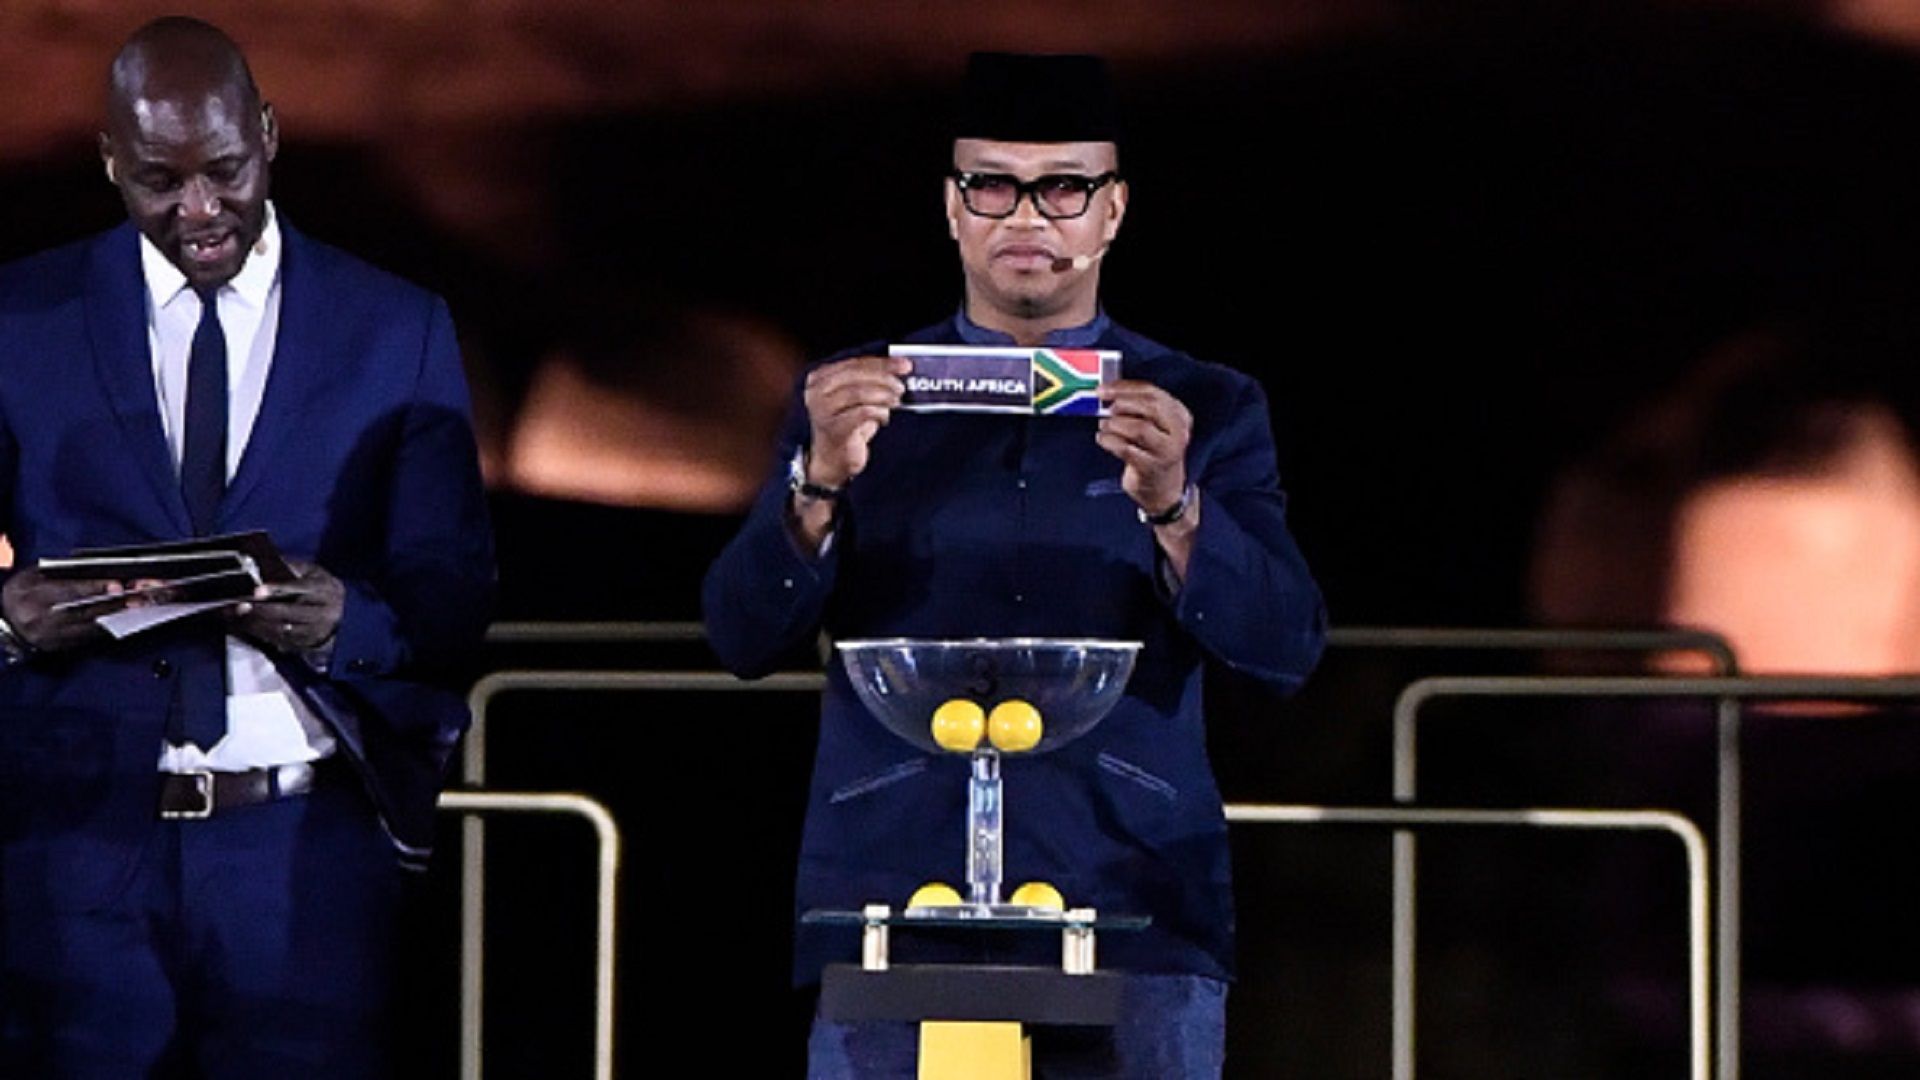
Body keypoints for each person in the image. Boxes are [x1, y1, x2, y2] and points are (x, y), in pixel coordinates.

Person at [703, 51, 1326, 1077]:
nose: (1026, 216)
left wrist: (1176, 505)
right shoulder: (856, 398)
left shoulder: (1205, 407)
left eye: (1063, 188)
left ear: (1112, 210)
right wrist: (814, 485)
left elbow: (1285, 648)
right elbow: (738, 634)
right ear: (953, 208)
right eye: (993, 185)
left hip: (1131, 893)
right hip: (897, 897)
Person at [0, 17, 493, 1078]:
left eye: (224, 170)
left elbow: (453, 591)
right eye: (157, 182)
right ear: (109, 164)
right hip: (77, 857)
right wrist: (4, 618)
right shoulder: (20, 317)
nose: (199, 209)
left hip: (297, 861)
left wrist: (346, 621)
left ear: (268, 135)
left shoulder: (392, 326)